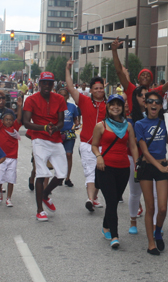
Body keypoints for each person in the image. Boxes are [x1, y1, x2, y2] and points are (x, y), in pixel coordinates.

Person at [92, 94, 139, 249]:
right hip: (105, 168)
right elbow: (94, 145)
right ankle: (115, 235)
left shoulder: (128, 126)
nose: (115, 107)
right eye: (112, 104)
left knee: (115, 199)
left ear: (123, 107)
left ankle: (105, 225)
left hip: (124, 168)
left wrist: (137, 163)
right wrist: (98, 156)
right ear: (107, 106)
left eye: (119, 104)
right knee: (112, 201)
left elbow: (132, 146)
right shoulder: (101, 125)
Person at [23, 71, 68, 221]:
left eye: (50, 83)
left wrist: (55, 127)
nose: (47, 86)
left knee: (62, 174)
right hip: (39, 139)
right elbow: (26, 122)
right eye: (44, 83)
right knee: (41, 173)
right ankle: (39, 210)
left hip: (55, 138)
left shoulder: (60, 98)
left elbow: (61, 121)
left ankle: (44, 195)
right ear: (39, 83)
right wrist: (43, 128)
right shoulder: (31, 99)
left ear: (53, 84)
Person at [135, 91, 168, 256]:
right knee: (150, 207)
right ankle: (151, 242)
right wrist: (160, 167)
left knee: (163, 208)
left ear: (161, 106)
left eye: (157, 102)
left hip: (162, 166)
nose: (153, 104)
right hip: (147, 167)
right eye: (150, 101)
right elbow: (144, 151)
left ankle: (158, 230)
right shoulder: (139, 124)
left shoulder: (166, 122)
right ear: (145, 104)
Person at [65, 60, 108, 212]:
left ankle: (94, 198)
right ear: (90, 90)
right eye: (95, 88)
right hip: (86, 144)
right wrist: (68, 69)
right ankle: (90, 199)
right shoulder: (83, 101)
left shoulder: (110, 105)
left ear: (104, 89)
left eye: (101, 88)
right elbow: (70, 87)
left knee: (100, 174)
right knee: (90, 172)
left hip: (104, 146)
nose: (98, 90)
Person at [111, 37, 168, 114]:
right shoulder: (131, 89)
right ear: (138, 79)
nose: (145, 76)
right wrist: (114, 50)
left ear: (151, 80)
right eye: (143, 75)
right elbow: (119, 72)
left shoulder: (156, 92)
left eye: (148, 75)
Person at [127, 86, 148, 234]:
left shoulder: (156, 115)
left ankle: (153, 224)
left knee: (153, 194)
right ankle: (133, 221)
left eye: (147, 95)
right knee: (135, 192)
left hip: (151, 159)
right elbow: (129, 141)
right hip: (133, 158)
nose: (144, 98)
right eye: (140, 95)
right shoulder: (128, 117)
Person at [0, 96, 23, 207]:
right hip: (1, 158)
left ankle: (9, 198)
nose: (8, 121)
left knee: (11, 178)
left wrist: (20, 107)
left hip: (12, 157)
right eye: (6, 119)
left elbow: (19, 119)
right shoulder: (0, 128)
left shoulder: (14, 128)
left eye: (10, 120)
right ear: (2, 121)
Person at [58, 88, 80, 187]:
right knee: (58, 156)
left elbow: (75, 119)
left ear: (68, 96)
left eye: (65, 95)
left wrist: (76, 124)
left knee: (69, 154)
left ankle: (67, 178)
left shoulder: (72, 107)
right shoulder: (55, 107)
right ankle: (58, 177)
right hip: (57, 134)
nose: (63, 97)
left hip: (69, 134)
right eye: (61, 95)